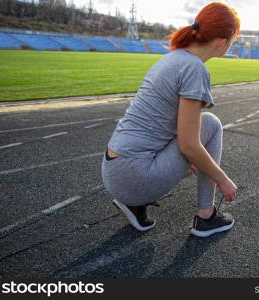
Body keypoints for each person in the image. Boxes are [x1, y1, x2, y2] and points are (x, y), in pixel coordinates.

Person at [101, 2, 240, 238]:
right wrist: (222, 179)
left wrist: (195, 160)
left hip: (113, 170)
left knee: (199, 135)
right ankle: (206, 216)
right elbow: (188, 145)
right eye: (233, 41)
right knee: (212, 125)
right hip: (133, 176)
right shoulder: (194, 69)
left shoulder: (173, 57)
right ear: (221, 42)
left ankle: (135, 204)